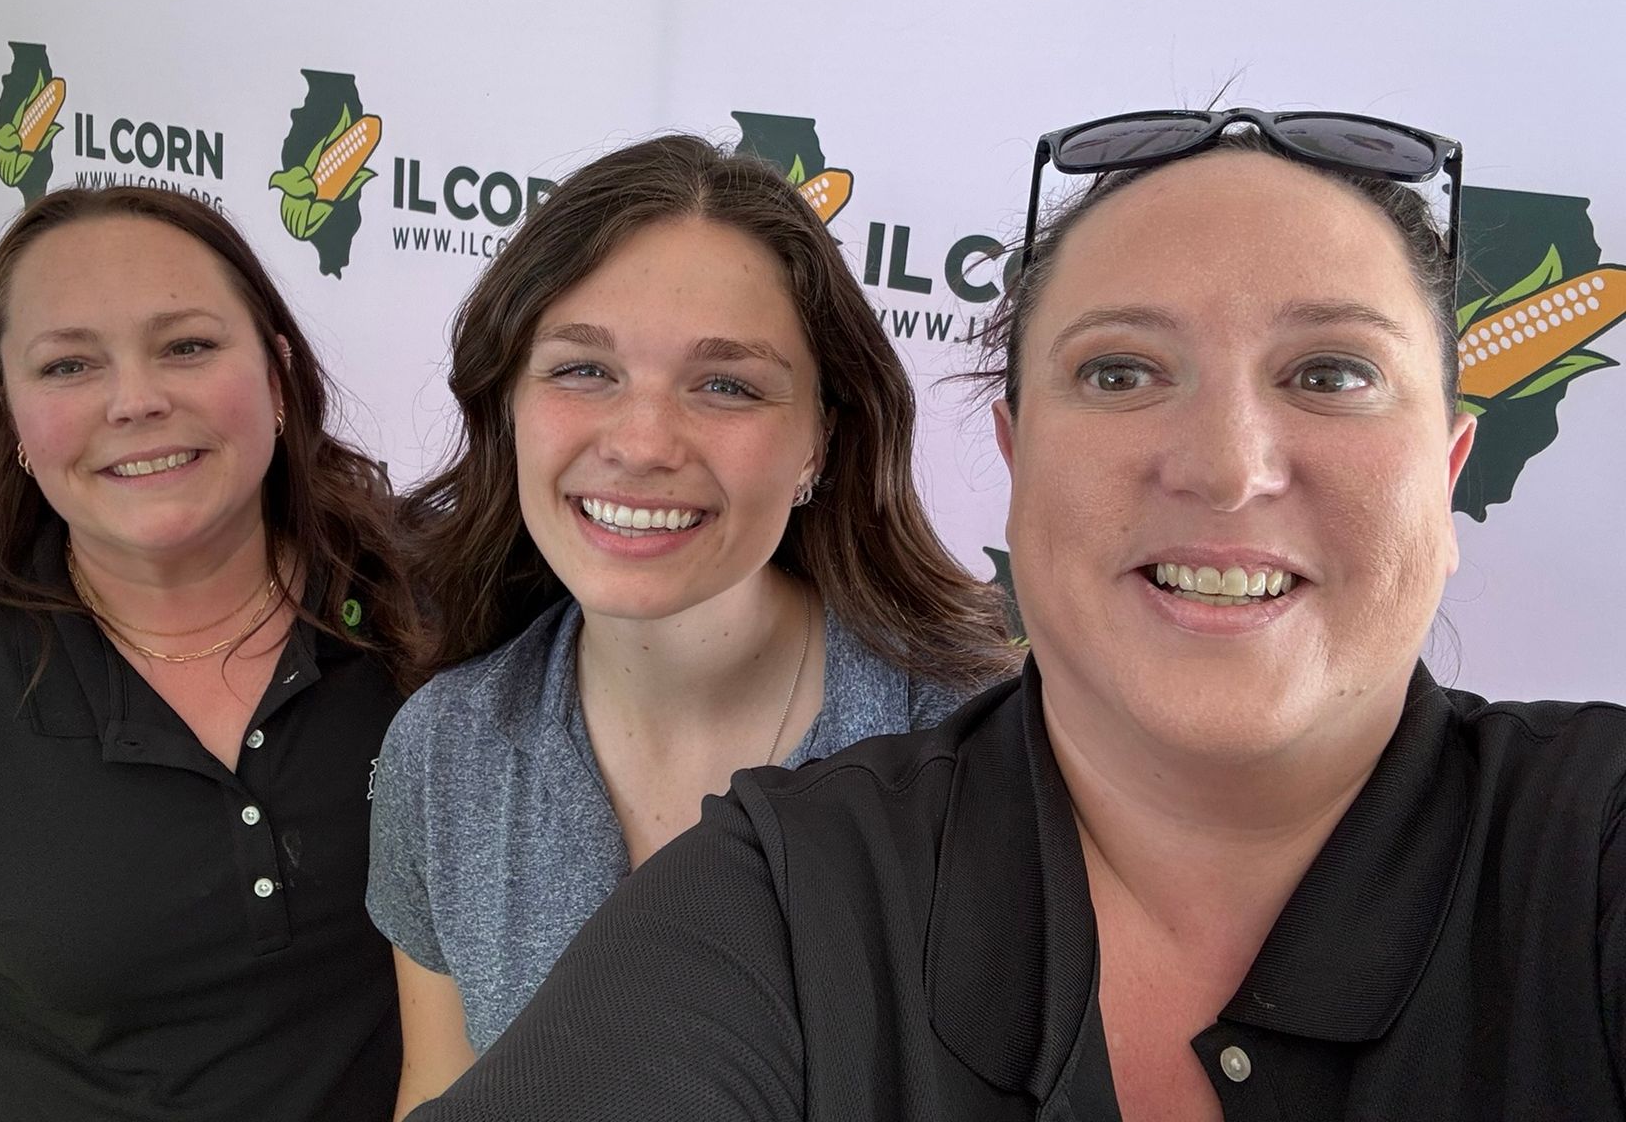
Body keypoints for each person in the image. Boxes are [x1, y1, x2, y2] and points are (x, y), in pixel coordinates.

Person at [408, 109, 1626, 1121]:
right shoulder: (789, 884)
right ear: (1015, 452)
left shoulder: (1588, 849)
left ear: (1451, 470)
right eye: (1120, 371)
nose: (1224, 463)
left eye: (1331, 374)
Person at [368, 134, 1015, 1112]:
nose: (641, 443)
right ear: (508, 405)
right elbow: (442, 1088)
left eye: (726, 385)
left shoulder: (980, 756)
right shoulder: (444, 748)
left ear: (820, 443)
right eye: (584, 369)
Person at [0, 185, 423, 1122]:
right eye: (69, 365)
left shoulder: (422, 621)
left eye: (187, 345)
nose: (137, 401)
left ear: (276, 376)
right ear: (14, 418)